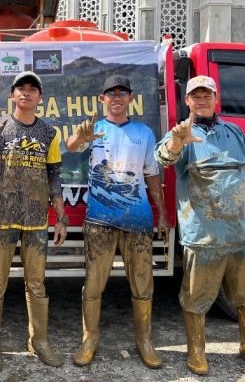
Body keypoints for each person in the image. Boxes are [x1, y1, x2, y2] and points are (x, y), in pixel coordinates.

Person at [155, 75, 245, 376]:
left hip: (242, 234)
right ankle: (196, 351)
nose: (201, 100)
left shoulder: (235, 133)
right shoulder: (181, 133)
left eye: (206, 95)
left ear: (215, 98)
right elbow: (163, 158)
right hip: (203, 237)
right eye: (195, 96)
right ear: (187, 101)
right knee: (196, 299)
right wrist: (177, 141)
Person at [0, 71, 67, 372]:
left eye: (32, 89)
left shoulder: (49, 133)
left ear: (40, 97)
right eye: (21, 88)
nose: (26, 93)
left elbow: (55, 176)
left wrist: (61, 217)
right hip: (2, 220)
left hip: (37, 221)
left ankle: (39, 341)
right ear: (12, 95)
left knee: (37, 286)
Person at [65, 75, 170, 368]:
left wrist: (162, 212)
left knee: (143, 285)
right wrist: (81, 138)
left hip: (138, 221)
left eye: (123, 93)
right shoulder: (94, 130)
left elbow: (152, 174)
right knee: (93, 284)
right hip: (99, 221)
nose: (117, 97)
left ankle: (144, 341)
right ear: (103, 99)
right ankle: (89, 339)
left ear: (131, 98)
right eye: (111, 93)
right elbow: (70, 146)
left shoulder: (144, 133)